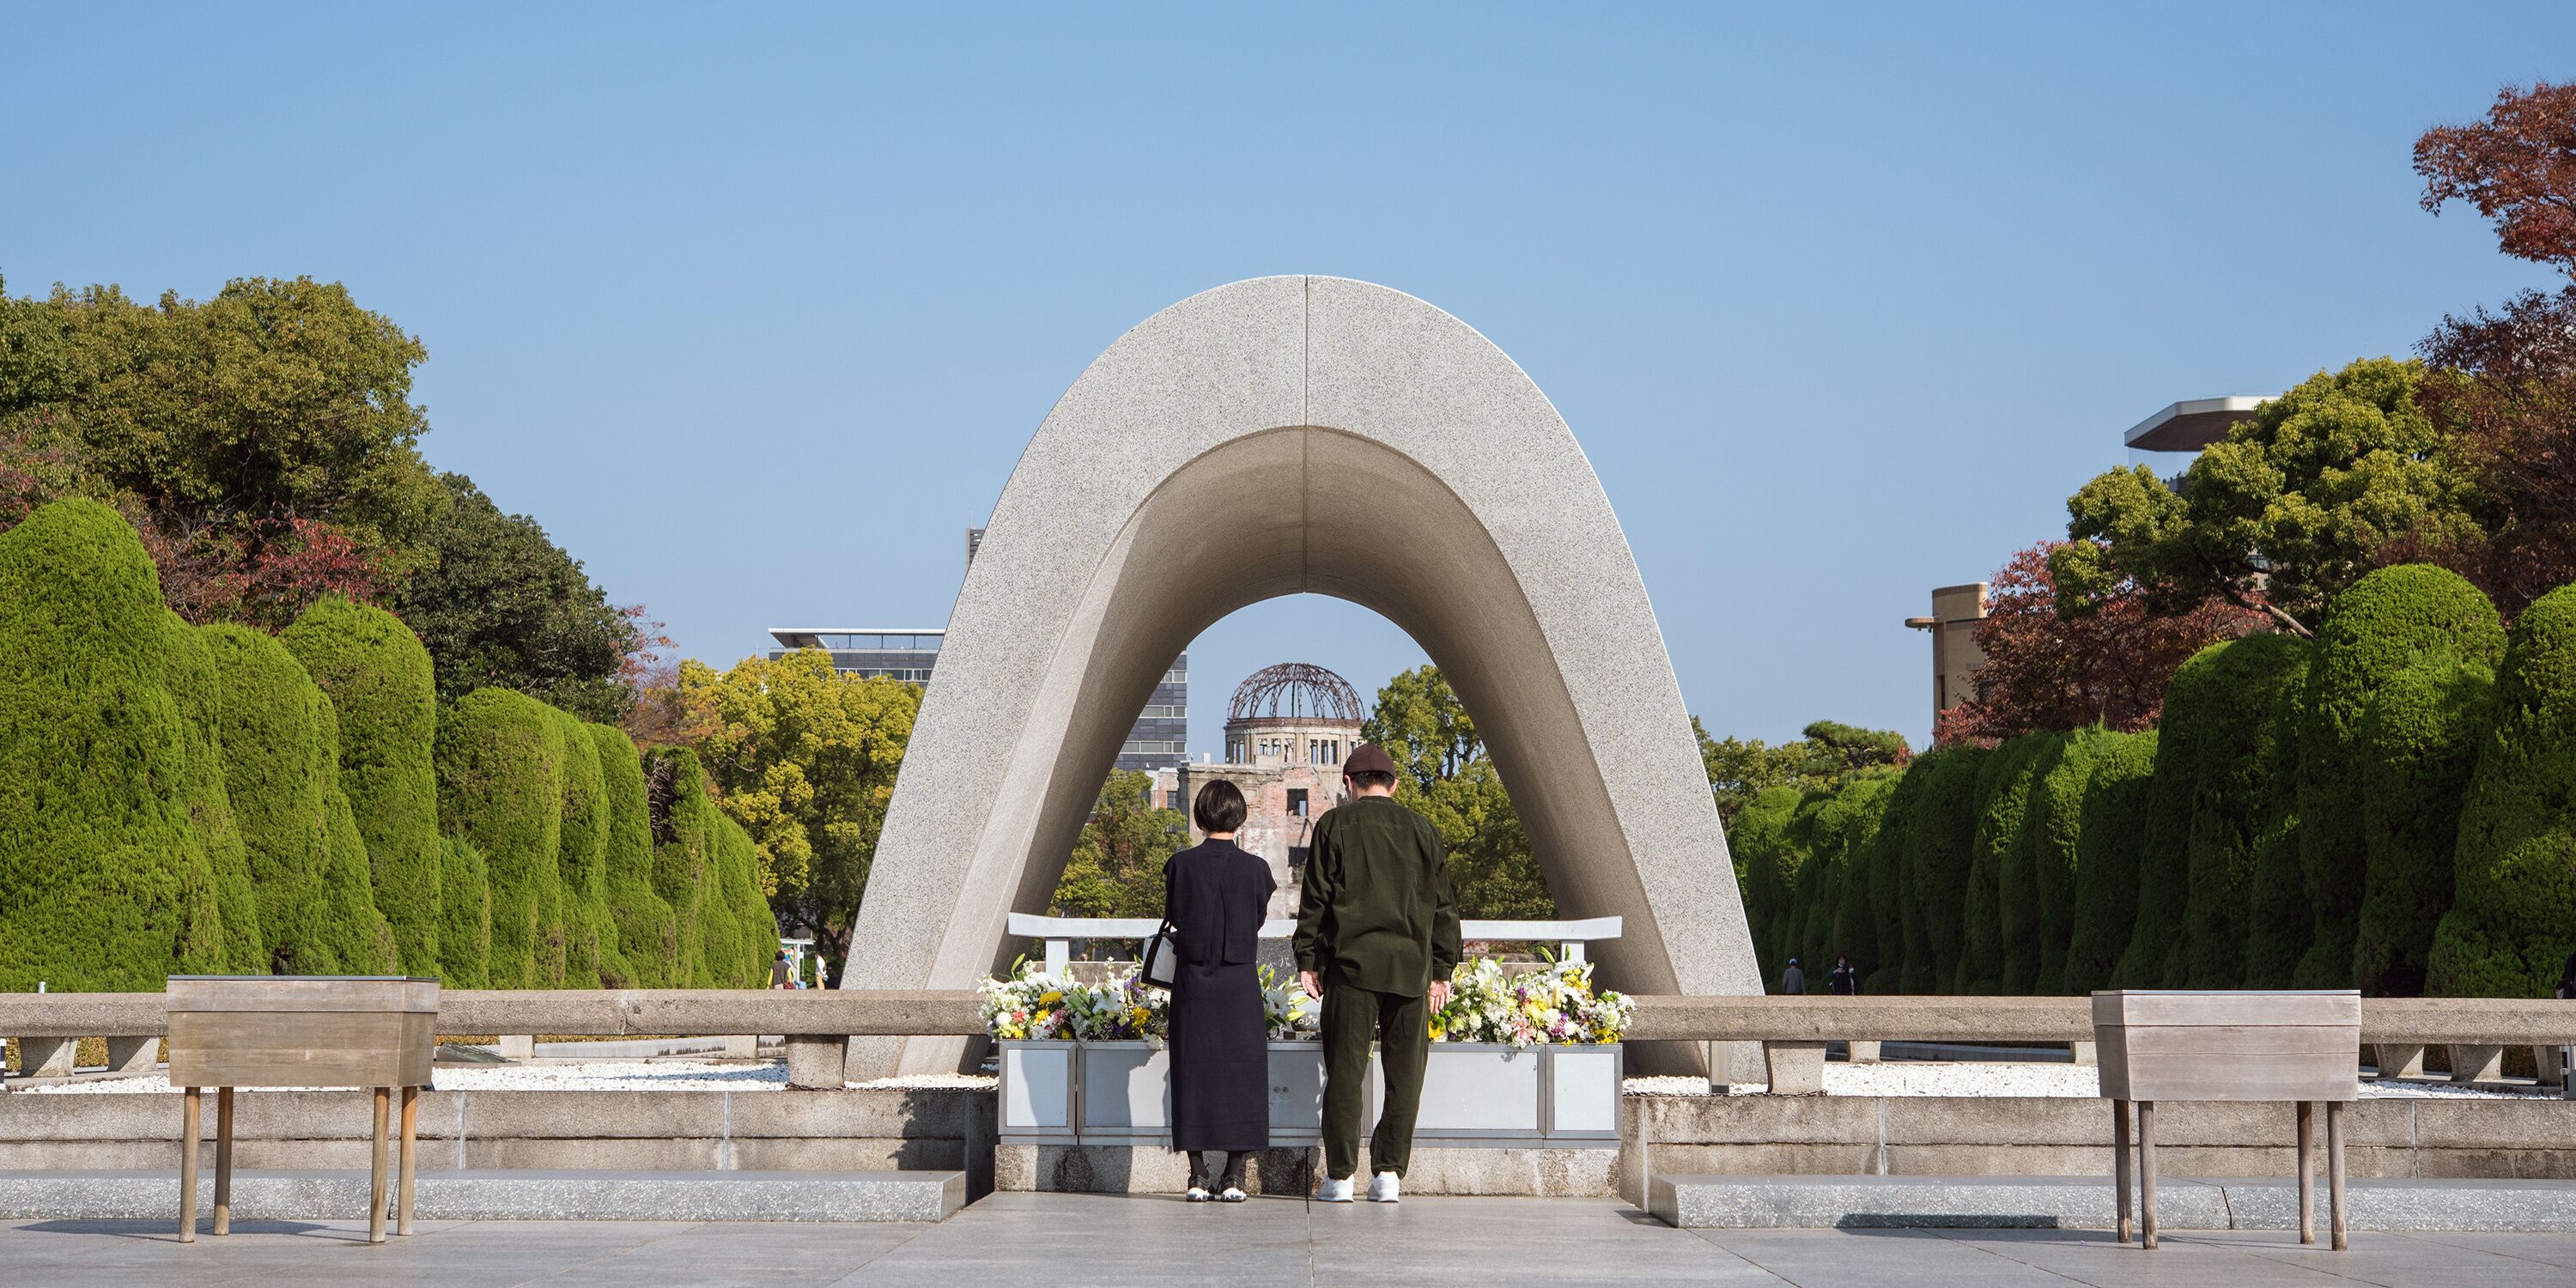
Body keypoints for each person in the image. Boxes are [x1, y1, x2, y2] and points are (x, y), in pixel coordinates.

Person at [1294, 743, 1460, 1205]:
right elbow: (1443, 906)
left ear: (1348, 784)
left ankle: (1341, 1178)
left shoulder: (1333, 825)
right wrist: (1442, 969)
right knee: (1405, 1076)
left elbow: (1316, 899)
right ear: (1395, 785)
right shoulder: (1423, 830)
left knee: (1345, 1073)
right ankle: (1388, 1175)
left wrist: (1307, 957)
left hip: (1351, 969)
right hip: (1411, 969)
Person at [1163, 778, 1276, 1202]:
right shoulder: (1257, 869)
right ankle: (1234, 1175)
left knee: (1191, 1070)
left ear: (1200, 815)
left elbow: (1175, 914)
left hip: (1192, 980)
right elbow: (1258, 918)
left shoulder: (1179, 865)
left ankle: (1196, 1174)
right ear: (1240, 816)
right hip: (1239, 982)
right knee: (1242, 1073)